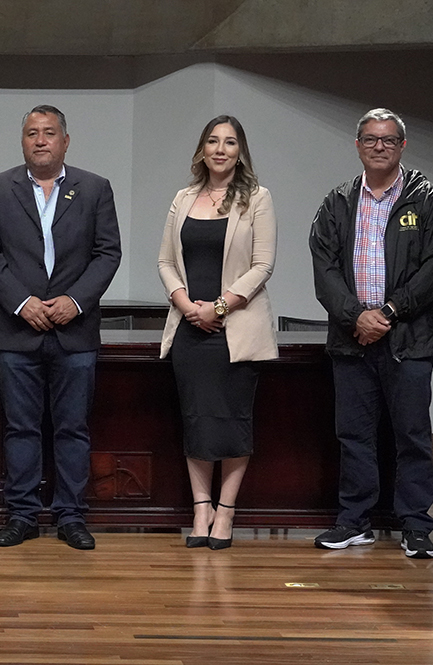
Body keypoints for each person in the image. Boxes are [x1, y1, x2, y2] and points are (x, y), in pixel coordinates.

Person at [0, 105, 121, 550]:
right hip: (18, 333)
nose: (40, 140)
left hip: (75, 333)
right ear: (23, 142)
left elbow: (107, 253)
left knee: (72, 429)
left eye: (49, 133)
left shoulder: (94, 188)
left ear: (65, 141)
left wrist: (76, 301)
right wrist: (22, 303)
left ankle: (70, 516)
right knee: (20, 429)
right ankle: (21, 515)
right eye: (32, 133)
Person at [309, 108, 433, 559]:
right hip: (352, 340)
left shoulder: (428, 199)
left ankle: (415, 525)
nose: (379, 146)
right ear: (358, 146)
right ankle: (354, 521)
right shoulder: (336, 202)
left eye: (388, 140)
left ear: (402, 146)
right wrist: (357, 316)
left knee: (412, 435)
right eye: (370, 139)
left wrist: (388, 312)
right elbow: (324, 271)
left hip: (410, 339)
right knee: (354, 435)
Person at [157, 115, 278, 551]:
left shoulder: (257, 198)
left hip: (235, 329)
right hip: (190, 329)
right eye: (213, 141)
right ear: (202, 150)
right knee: (197, 420)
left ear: (240, 151)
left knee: (232, 421)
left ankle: (226, 512)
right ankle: (201, 509)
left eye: (229, 142)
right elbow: (165, 262)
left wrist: (219, 307)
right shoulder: (183, 197)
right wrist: (188, 306)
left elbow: (263, 265)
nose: (220, 149)